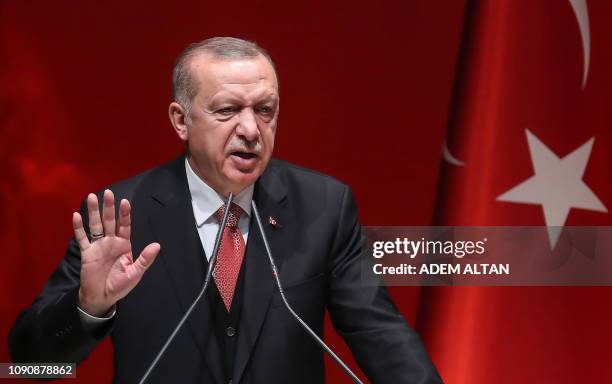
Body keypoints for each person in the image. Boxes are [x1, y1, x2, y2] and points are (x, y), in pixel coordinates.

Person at [8, 37, 442, 383]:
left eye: (265, 110)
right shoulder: (120, 214)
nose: (251, 129)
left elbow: (379, 332)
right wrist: (90, 307)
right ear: (181, 120)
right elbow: (33, 364)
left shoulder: (324, 206)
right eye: (229, 110)